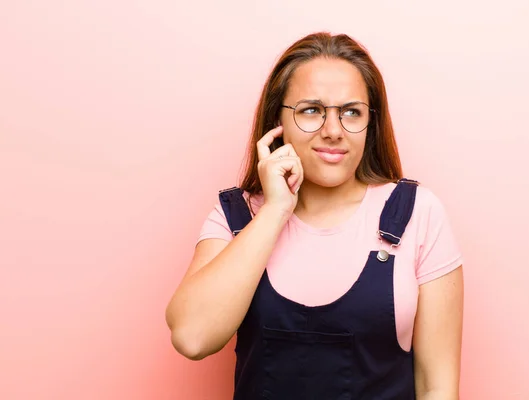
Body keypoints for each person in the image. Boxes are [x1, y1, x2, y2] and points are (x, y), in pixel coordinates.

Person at [165, 31, 464, 400]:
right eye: (311, 110)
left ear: (371, 123)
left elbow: (437, 387)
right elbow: (192, 338)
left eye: (352, 112)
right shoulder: (237, 216)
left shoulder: (418, 213)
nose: (334, 131)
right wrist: (275, 210)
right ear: (279, 121)